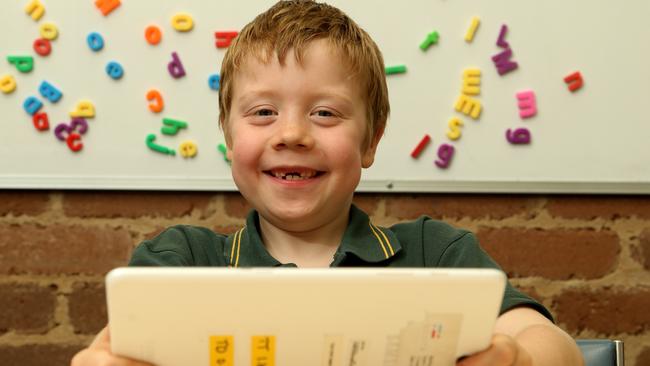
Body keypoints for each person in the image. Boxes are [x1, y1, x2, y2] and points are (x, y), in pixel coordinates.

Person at [71, 1, 584, 365]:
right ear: (229, 136)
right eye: (264, 112)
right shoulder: (180, 261)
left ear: (371, 141)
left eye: (324, 112)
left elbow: (549, 342)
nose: (291, 134)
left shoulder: (437, 253)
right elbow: (113, 349)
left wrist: (522, 357)